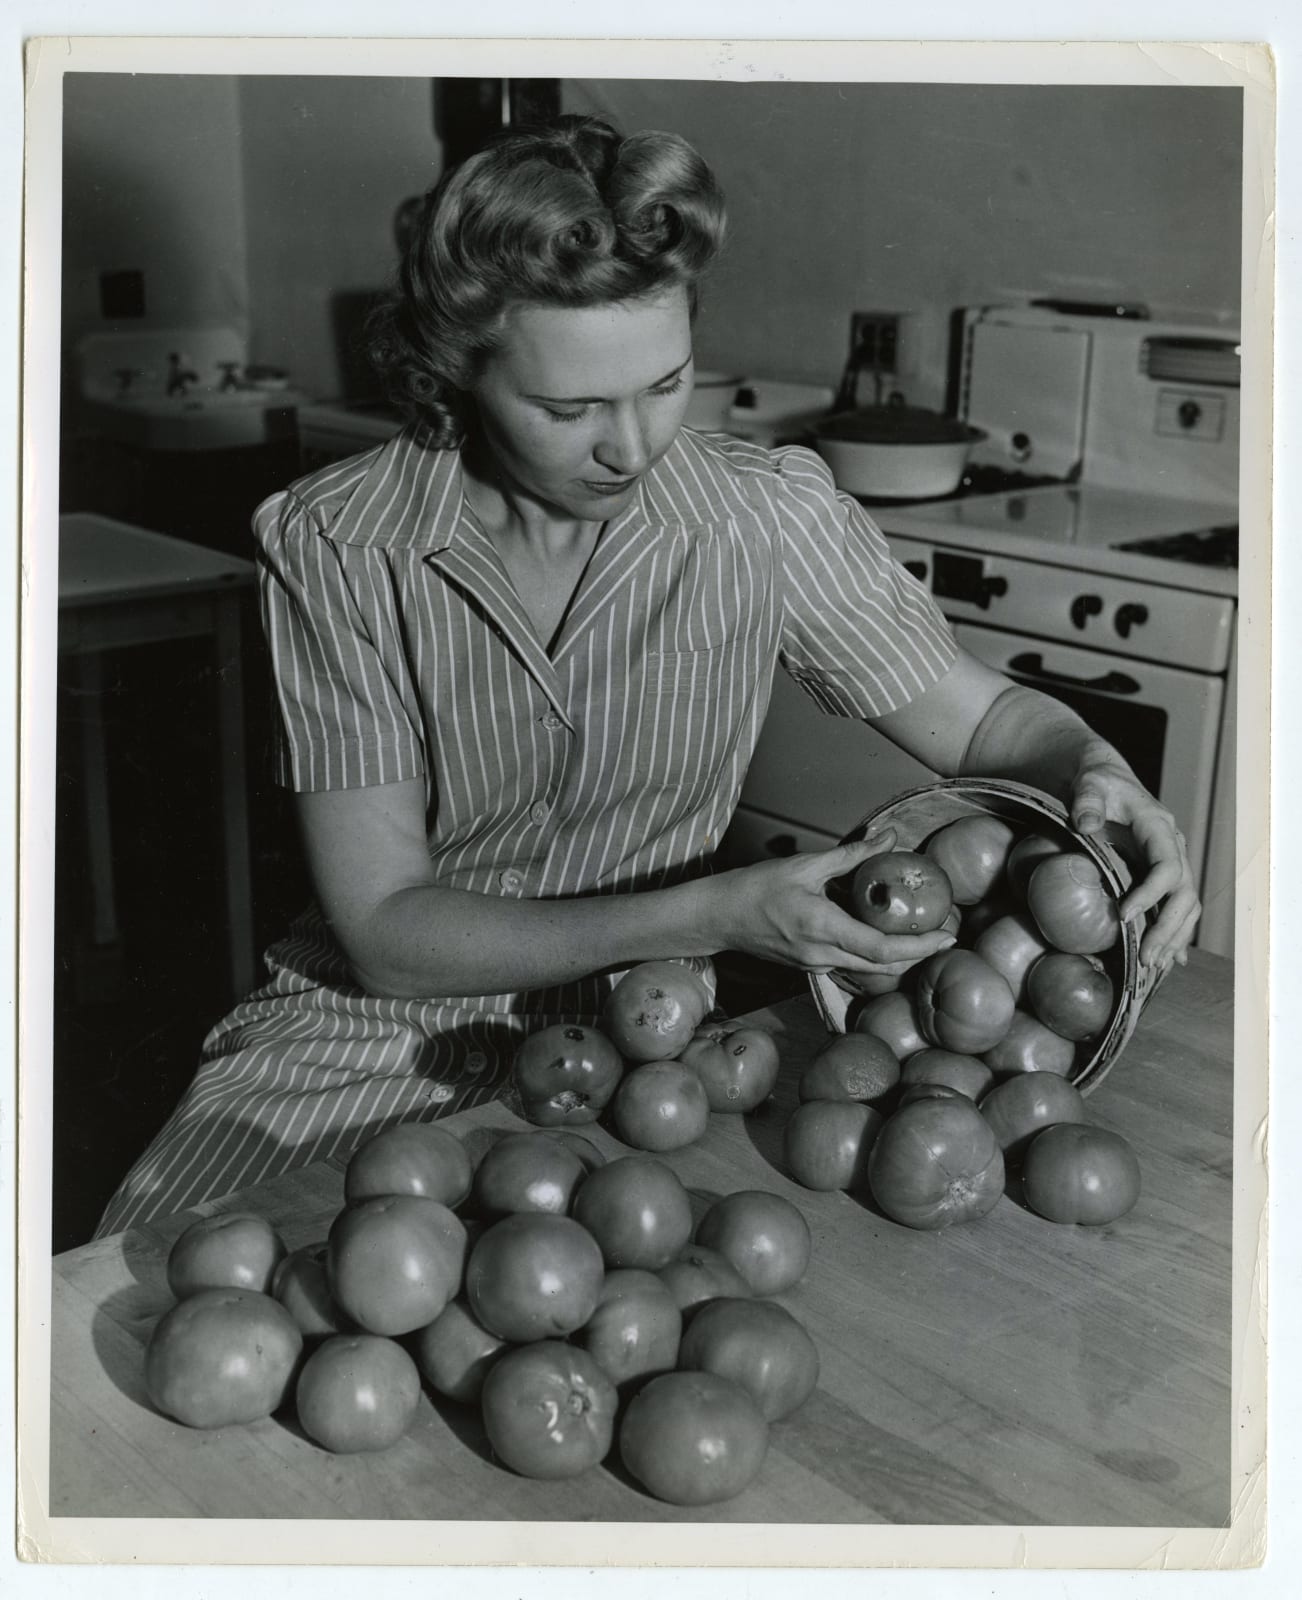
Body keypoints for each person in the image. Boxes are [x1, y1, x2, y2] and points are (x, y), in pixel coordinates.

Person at [95, 114, 1199, 1237]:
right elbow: (383, 930)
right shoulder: (338, 542)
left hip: (657, 1038)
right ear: (460, 372)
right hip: (360, 1029)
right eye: (569, 409)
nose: (632, 446)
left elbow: (992, 724)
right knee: (143, 1271)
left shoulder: (764, 516)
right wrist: (716, 912)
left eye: (667, 384)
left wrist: (1098, 768)